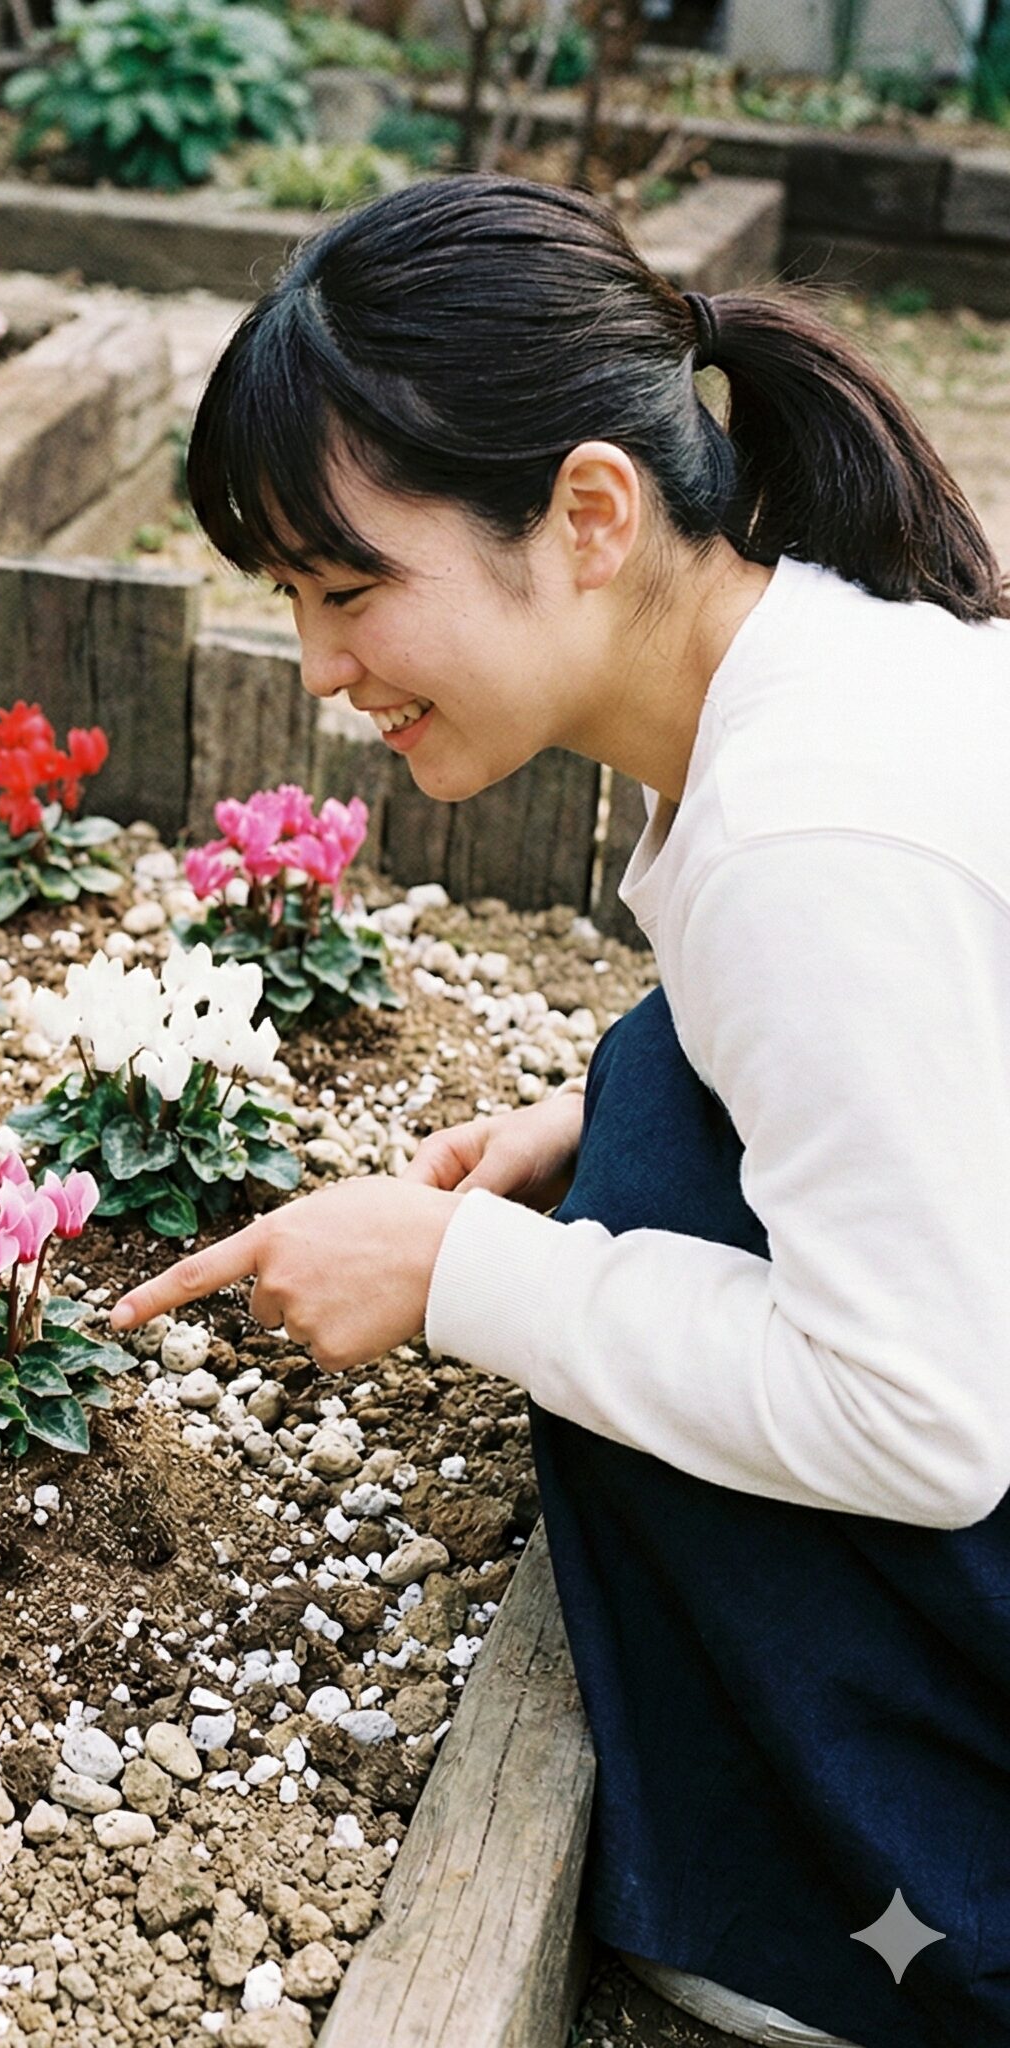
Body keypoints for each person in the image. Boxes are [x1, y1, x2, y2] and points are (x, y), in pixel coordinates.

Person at [106, 174, 1010, 2048]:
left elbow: (927, 1425)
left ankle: (882, 1931)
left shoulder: (809, 838)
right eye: (291, 599)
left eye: (350, 589)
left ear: (591, 512)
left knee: (647, 1214)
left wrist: (462, 1270)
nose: (319, 668)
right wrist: (597, 1126)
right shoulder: (843, 673)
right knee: (648, 1103)